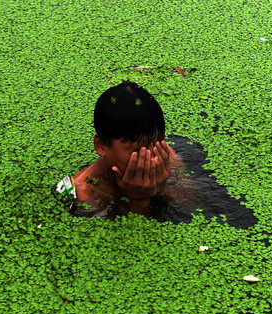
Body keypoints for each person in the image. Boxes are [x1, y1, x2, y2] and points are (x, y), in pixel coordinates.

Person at [56, 80, 193, 219]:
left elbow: (193, 205)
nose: (152, 157)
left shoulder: (165, 154)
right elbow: (130, 239)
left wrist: (162, 187)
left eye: (158, 142)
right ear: (101, 145)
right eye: (139, 150)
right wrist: (139, 200)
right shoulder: (83, 195)